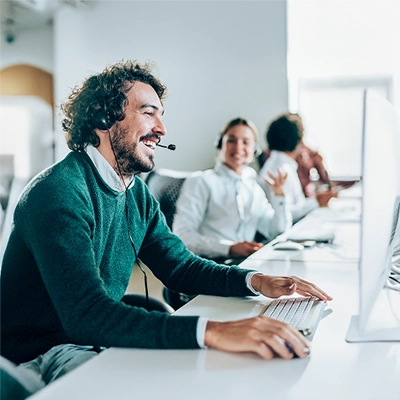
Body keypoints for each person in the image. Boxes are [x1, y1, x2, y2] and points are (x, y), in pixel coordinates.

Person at [0, 60, 332, 391]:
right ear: (104, 118)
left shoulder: (134, 192)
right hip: (43, 355)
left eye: (161, 115)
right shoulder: (59, 192)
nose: (162, 128)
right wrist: (213, 331)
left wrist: (255, 280)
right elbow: (85, 314)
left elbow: (179, 266)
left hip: (91, 339)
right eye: (148, 112)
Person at [173, 117, 291, 261]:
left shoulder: (252, 187)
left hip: (243, 265)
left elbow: (276, 231)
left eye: (245, 142)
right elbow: (183, 236)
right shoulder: (201, 181)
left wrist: (279, 195)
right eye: (232, 140)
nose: (238, 147)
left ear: (255, 150)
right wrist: (229, 248)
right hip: (207, 265)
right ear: (220, 144)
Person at [257, 113, 337, 223]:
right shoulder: (282, 170)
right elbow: (286, 215)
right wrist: (317, 202)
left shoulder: (277, 164)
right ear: (299, 141)